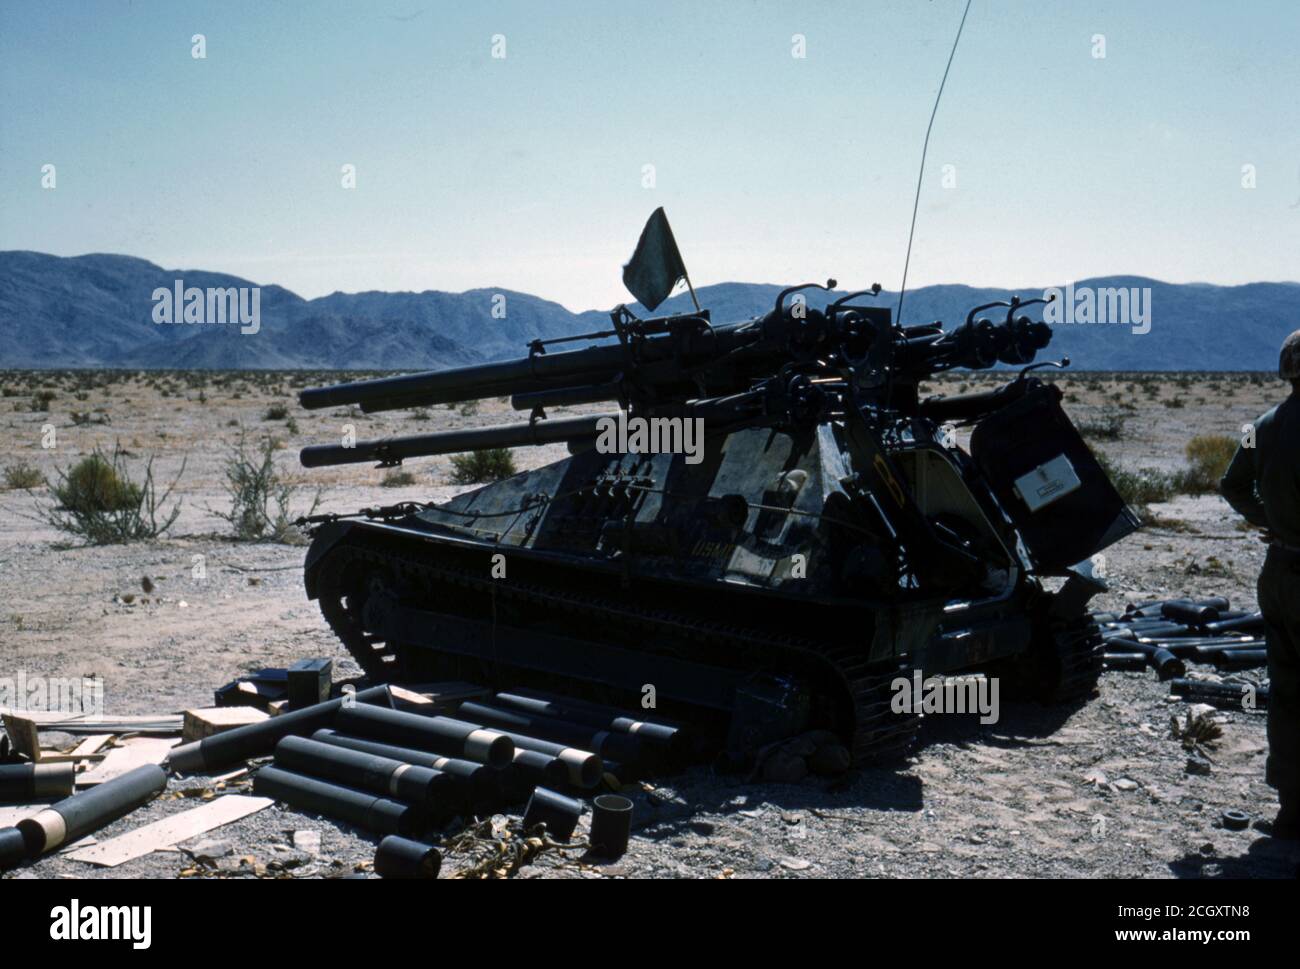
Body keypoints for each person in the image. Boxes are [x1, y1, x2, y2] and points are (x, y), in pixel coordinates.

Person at [1220, 329, 1300, 839]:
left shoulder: (1260, 426)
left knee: (1288, 691)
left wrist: (1266, 517)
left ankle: (1291, 806)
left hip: (1279, 572)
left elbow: (1230, 484)